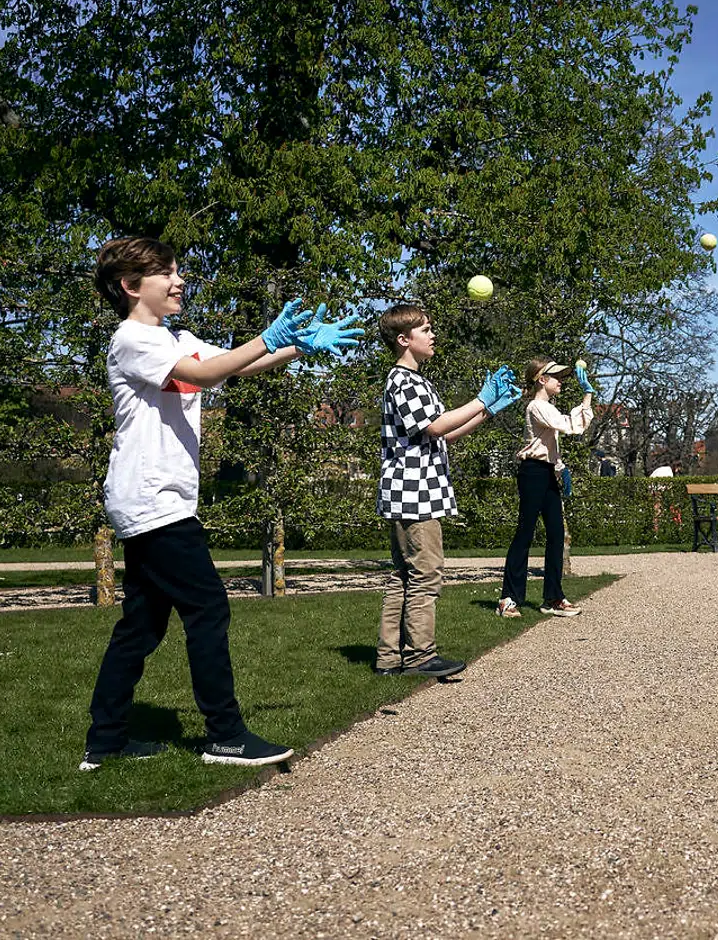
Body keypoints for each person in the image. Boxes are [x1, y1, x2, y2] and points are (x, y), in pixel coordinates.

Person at [82, 236, 362, 771]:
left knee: (142, 626)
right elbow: (204, 375)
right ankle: (225, 737)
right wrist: (268, 335)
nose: (179, 279)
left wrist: (300, 345)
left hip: (160, 501)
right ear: (131, 286)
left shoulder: (174, 337)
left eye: (178, 269)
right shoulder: (133, 340)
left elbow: (234, 365)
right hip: (151, 500)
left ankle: (106, 740)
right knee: (209, 607)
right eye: (166, 272)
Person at [375, 304, 519, 676]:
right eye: (425, 329)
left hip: (415, 493)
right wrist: (480, 399)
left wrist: (488, 410)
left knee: (403, 577)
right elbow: (437, 427)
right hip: (414, 494)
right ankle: (421, 656)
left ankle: (389, 658)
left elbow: (444, 434)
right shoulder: (403, 381)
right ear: (404, 339)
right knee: (425, 575)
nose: (432, 334)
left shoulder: (417, 381)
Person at [497, 357, 594, 619]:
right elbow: (572, 426)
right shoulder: (536, 406)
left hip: (547, 472)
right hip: (532, 473)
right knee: (525, 533)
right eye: (556, 377)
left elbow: (558, 438)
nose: (561, 381)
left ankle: (553, 597)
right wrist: (586, 396)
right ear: (542, 380)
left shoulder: (547, 407)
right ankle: (508, 598)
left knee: (556, 534)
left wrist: (560, 468)